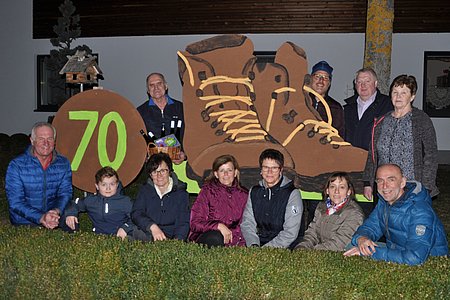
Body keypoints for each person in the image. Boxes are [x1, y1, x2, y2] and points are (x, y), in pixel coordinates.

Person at [344, 164, 448, 265]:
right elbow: (370, 227)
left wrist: (369, 253)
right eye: (380, 181)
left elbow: (415, 257)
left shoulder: (420, 211)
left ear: (402, 182)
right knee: (351, 245)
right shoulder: (384, 203)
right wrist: (362, 238)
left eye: (391, 179)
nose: (384, 186)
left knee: (358, 251)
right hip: (397, 250)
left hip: (426, 258)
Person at [363, 75, 439, 202]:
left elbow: (431, 154)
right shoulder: (382, 121)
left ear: (412, 96)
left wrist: (426, 187)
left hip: (411, 187)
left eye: (404, 93)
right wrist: (368, 182)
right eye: (395, 92)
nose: (398, 97)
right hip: (384, 187)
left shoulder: (421, 120)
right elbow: (373, 154)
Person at [5, 122, 72, 229]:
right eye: (41, 138)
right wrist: (41, 217)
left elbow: (65, 193)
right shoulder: (17, 165)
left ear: (54, 141)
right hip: (24, 220)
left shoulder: (63, 163)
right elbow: (16, 202)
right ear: (32, 140)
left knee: (72, 213)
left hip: (53, 216)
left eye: (50, 139)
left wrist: (56, 211)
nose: (46, 143)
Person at [240, 149, 303, 248]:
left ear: (281, 170)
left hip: (284, 246)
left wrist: (265, 251)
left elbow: (290, 233)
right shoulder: (254, 191)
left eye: (274, 168)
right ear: (261, 170)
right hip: (258, 244)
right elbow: (248, 223)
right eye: (266, 167)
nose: (269, 172)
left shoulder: (293, 194)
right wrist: (253, 245)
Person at [189, 155, 248, 247]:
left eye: (229, 170)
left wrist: (234, 238)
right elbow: (195, 223)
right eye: (222, 170)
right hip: (209, 238)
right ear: (216, 174)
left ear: (235, 172)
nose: (226, 174)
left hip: (235, 239)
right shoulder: (207, 192)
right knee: (216, 237)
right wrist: (218, 226)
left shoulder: (244, 195)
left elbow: (245, 224)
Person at [295, 172, 364, 251]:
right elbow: (312, 233)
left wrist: (312, 252)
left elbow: (340, 243)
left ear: (348, 191)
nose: (336, 191)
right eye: (332, 187)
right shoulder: (322, 207)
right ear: (327, 190)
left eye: (341, 187)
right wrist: (302, 247)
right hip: (319, 252)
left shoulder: (354, 213)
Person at [131, 152, 190, 241]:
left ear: (169, 171)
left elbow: (183, 222)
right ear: (150, 175)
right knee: (134, 233)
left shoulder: (181, 194)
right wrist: (152, 226)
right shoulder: (145, 190)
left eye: (163, 170)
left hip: (170, 236)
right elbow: (136, 213)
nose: (159, 175)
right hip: (149, 233)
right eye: (155, 172)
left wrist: (177, 242)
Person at [64, 166, 133, 240]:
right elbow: (75, 203)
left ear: (117, 184)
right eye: (104, 185)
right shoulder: (92, 201)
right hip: (98, 238)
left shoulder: (125, 201)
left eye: (112, 184)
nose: (108, 188)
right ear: (97, 186)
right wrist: (71, 213)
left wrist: (125, 228)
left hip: (120, 237)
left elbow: (137, 217)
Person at [137, 72, 186, 163]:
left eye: (159, 84)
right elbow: (138, 139)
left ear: (166, 86)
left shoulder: (181, 108)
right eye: (151, 85)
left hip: (180, 163)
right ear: (148, 90)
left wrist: (184, 154)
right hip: (154, 165)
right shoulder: (140, 112)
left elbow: (189, 133)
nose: (156, 88)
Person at [343, 67, 393, 151]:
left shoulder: (388, 105)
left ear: (375, 83)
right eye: (359, 82)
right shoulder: (347, 109)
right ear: (355, 85)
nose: (363, 85)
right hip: (351, 158)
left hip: (376, 161)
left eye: (367, 81)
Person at [308, 61, 345, 136]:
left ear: (329, 83)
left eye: (325, 78)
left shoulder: (336, 108)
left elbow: (339, 136)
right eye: (317, 77)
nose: (321, 81)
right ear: (310, 79)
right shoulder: (300, 101)